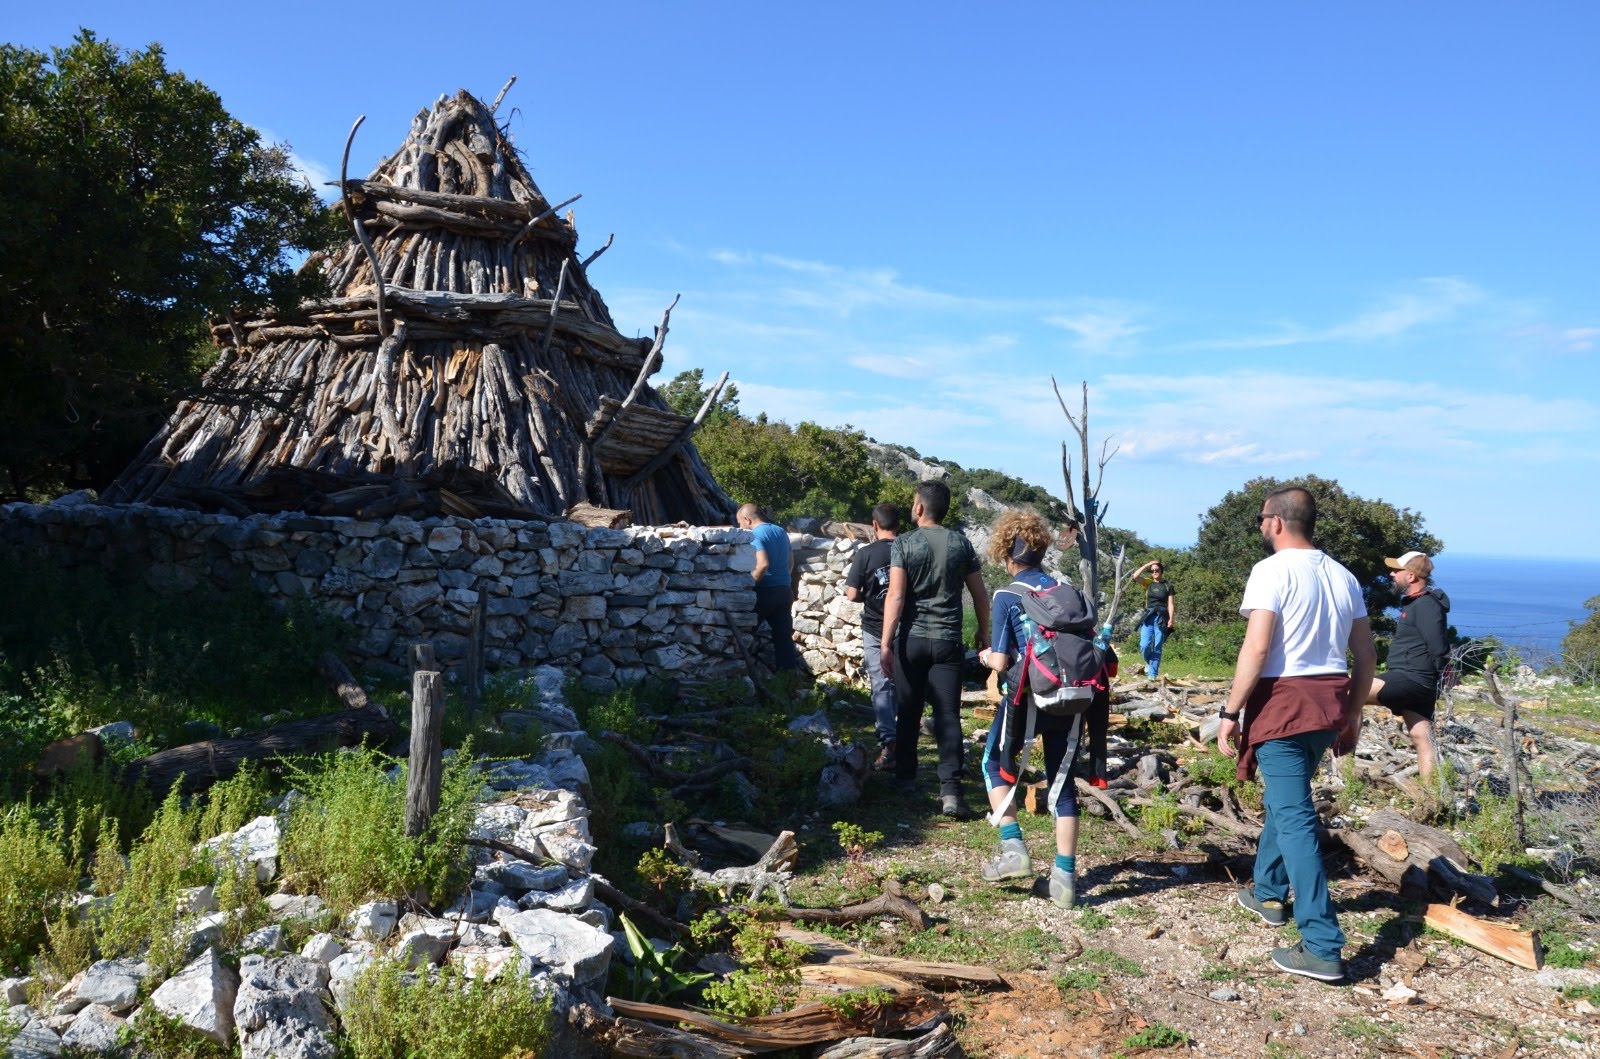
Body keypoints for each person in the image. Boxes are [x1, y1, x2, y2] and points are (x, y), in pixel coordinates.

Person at [1217, 486, 1375, 983]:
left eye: (1262, 519)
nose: (1261, 526)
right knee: (1287, 805)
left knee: (1295, 817)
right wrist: (1351, 716)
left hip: (1283, 704)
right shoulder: (1343, 575)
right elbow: (1366, 657)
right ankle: (1266, 891)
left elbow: (1257, 649)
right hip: (1326, 704)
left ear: (1277, 521)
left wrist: (1230, 709)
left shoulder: (1271, 571)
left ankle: (1323, 945)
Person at [978, 512, 1093, 908]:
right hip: (1071, 697)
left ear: (1006, 551)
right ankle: (1064, 879)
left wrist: (985, 656)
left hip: (1025, 699)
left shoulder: (1007, 595)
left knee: (994, 764)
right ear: (1041, 549)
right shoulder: (1067, 591)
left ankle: (1014, 850)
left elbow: (999, 661)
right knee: (1062, 780)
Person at [880, 481, 990, 818]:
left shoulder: (904, 543)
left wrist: (886, 643)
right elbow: (980, 596)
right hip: (947, 640)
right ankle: (951, 791)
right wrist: (984, 634)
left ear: (919, 508)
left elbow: (896, 596)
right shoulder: (961, 543)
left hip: (911, 639)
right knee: (948, 714)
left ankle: (905, 780)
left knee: (909, 710)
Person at [1365, 551, 1449, 782]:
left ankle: (1343, 769)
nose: (1392, 574)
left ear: (1411, 576)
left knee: (1347, 693)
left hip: (1411, 678)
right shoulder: (1420, 603)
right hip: (1421, 681)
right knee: (1422, 736)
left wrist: (1447, 672)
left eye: (1396, 570)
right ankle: (1432, 797)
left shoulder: (1425, 604)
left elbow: (1438, 644)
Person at [845, 502, 901, 771]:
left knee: (881, 685)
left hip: (875, 627)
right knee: (905, 684)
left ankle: (889, 746)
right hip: (907, 627)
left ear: (875, 525)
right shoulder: (909, 549)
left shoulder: (866, 554)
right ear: (900, 525)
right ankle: (905, 742)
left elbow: (852, 594)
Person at [737, 503, 802, 673]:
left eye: (739, 523)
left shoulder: (755, 535)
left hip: (765, 591)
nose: (739, 527)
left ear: (747, 519)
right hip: (784, 590)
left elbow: (762, 564)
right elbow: (791, 561)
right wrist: (783, 579)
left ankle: (741, 674)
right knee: (783, 637)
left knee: (743, 633)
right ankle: (788, 677)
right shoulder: (780, 531)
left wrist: (747, 587)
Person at [1130, 559, 1176, 679]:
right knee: (1144, 645)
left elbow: (1171, 604)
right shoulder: (1148, 583)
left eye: (1157, 570)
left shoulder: (1168, 585)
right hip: (1148, 616)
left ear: (1161, 571)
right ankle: (1149, 662)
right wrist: (1147, 564)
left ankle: (1153, 674)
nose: (1154, 572)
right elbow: (1135, 576)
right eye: (1152, 570)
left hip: (1162, 617)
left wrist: (1171, 619)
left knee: (1158, 645)